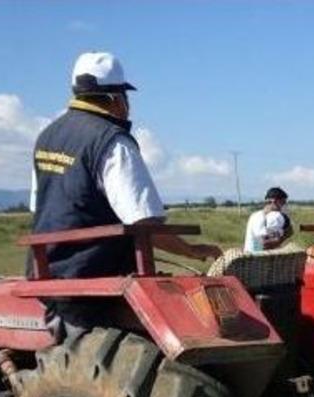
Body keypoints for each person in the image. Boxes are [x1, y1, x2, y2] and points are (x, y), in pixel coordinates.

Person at [29, 51, 221, 338]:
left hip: (52, 275)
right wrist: (193, 251)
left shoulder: (47, 137)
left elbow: (39, 206)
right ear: (117, 99)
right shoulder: (112, 141)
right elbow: (145, 224)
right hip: (97, 275)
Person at [244, 187, 294, 252]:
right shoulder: (259, 217)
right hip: (255, 259)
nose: (284, 206)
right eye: (283, 202)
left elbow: (272, 238)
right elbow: (265, 245)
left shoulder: (264, 216)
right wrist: (285, 236)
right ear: (274, 201)